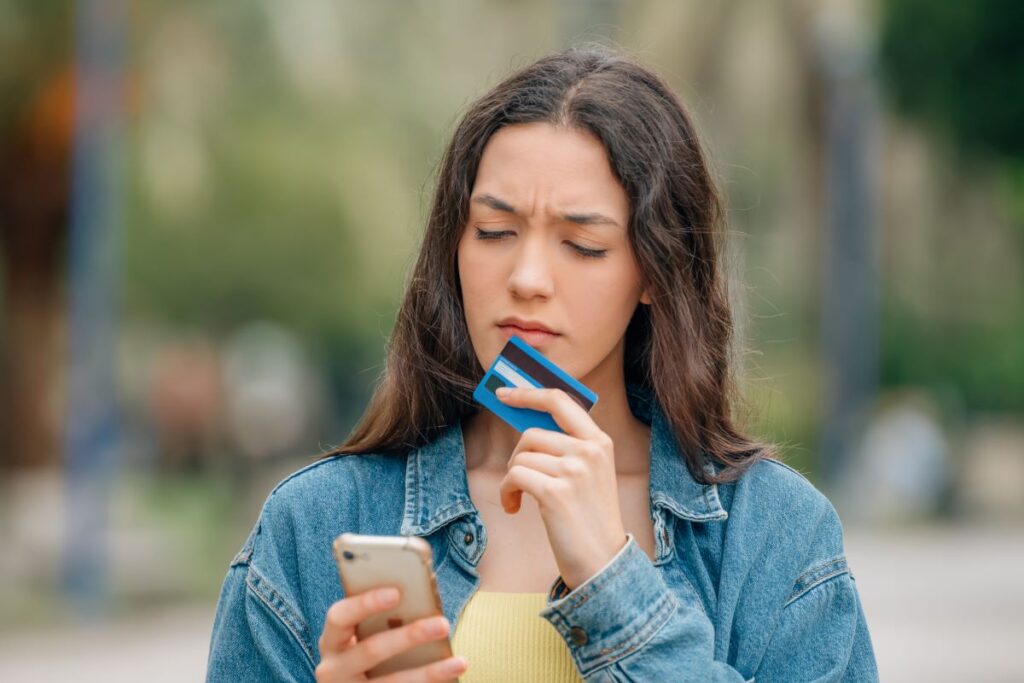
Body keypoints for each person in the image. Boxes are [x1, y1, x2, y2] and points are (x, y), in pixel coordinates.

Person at [206, 44, 879, 682]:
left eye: (582, 244)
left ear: (654, 269)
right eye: (494, 232)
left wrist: (614, 585)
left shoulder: (773, 533)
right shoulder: (316, 523)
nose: (526, 276)